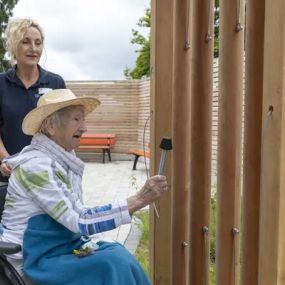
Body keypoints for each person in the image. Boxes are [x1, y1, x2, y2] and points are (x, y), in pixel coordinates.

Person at [0, 89, 168, 285]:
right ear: (51, 126)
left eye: (83, 120)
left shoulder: (61, 158)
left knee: (117, 255)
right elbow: (79, 220)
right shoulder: (37, 167)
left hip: (56, 245)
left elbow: (76, 216)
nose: (85, 127)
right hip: (31, 257)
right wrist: (139, 200)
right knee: (113, 263)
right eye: (76, 120)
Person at [0, 17, 66, 186]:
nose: (33, 49)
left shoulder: (55, 83)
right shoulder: (1, 83)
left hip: (47, 176)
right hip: (9, 176)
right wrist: (7, 160)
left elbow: (64, 128)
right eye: (26, 42)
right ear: (14, 45)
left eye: (38, 43)